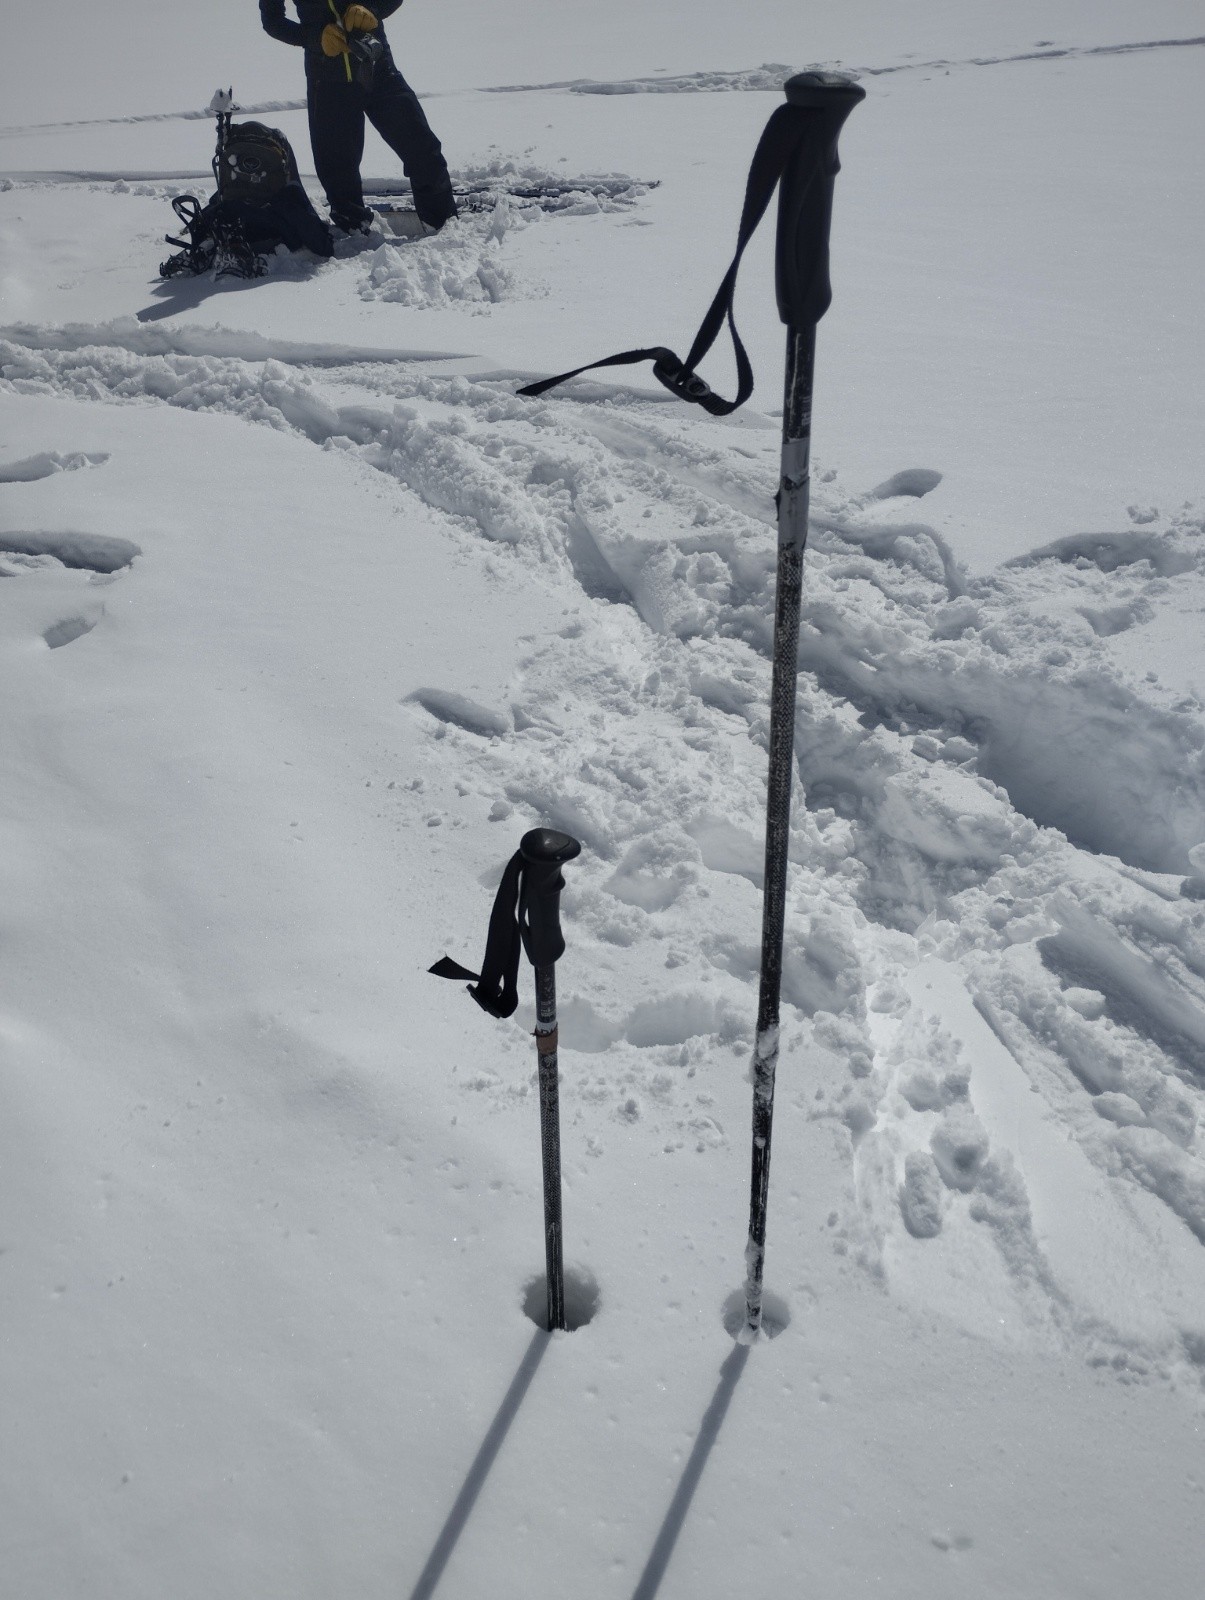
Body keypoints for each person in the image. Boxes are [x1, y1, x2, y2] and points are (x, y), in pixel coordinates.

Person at [258, 2, 457, 233]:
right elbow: (272, 20)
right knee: (338, 171)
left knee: (421, 147)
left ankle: (444, 227)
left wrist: (372, 10)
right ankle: (353, 233)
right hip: (327, 79)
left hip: (378, 68)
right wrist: (316, 38)